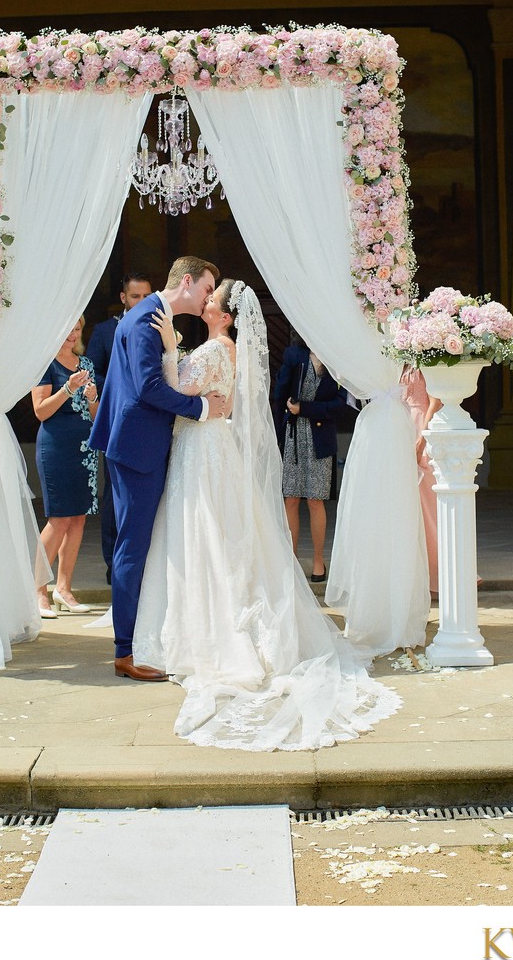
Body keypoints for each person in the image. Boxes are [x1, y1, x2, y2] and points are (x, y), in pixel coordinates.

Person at [132, 280, 401, 751]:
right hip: (210, 446)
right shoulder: (225, 347)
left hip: (203, 448)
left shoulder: (217, 349)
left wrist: (171, 349)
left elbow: (179, 391)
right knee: (212, 534)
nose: (207, 300)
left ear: (226, 315)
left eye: (213, 299)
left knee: (206, 536)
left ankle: (213, 632)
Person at [89, 256, 228, 681]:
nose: (208, 297)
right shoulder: (147, 319)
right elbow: (149, 388)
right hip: (136, 447)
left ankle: (139, 638)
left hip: (133, 443)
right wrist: (203, 407)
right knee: (132, 546)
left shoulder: (149, 315)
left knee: (136, 544)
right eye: (206, 288)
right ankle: (126, 651)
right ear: (187, 282)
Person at [86, 272, 152, 584]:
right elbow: (92, 371)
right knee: (115, 494)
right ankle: (114, 563)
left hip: (152, 426)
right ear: (123, 298)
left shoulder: (160, 327)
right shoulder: (104, 331)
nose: (141, 302)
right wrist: (122, 386)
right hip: (116, 422)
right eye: (135, 296)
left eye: (146, 296)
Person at [31, 317, 99, 617]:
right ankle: (37, 592)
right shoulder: (45, 363)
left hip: (84, 448)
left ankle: (64, 588)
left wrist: (93, 397)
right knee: (59, 519)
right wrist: (69, 390)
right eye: (68, 328)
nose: (73, 334)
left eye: (77, 329)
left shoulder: (85, 362)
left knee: (79, 519)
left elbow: (96, 415)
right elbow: (41, 411)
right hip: (56, 447)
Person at [274, 341, 347, 583]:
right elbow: (279, 394)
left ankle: (318, 561)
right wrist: (275, 434)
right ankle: (291, 560)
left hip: (320, 438)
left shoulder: (335, 357)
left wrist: (304, 408)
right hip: (293, 437)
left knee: (316, 500)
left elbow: (339, 406)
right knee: (292, 498)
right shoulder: (294, 353)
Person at [400, 366, 442, 596]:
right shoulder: (399, 364)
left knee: (429, 508)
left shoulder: (426, 362)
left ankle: (439, 574)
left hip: (421, 431)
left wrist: (422, 439)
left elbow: (436, 402)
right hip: (401, 430)